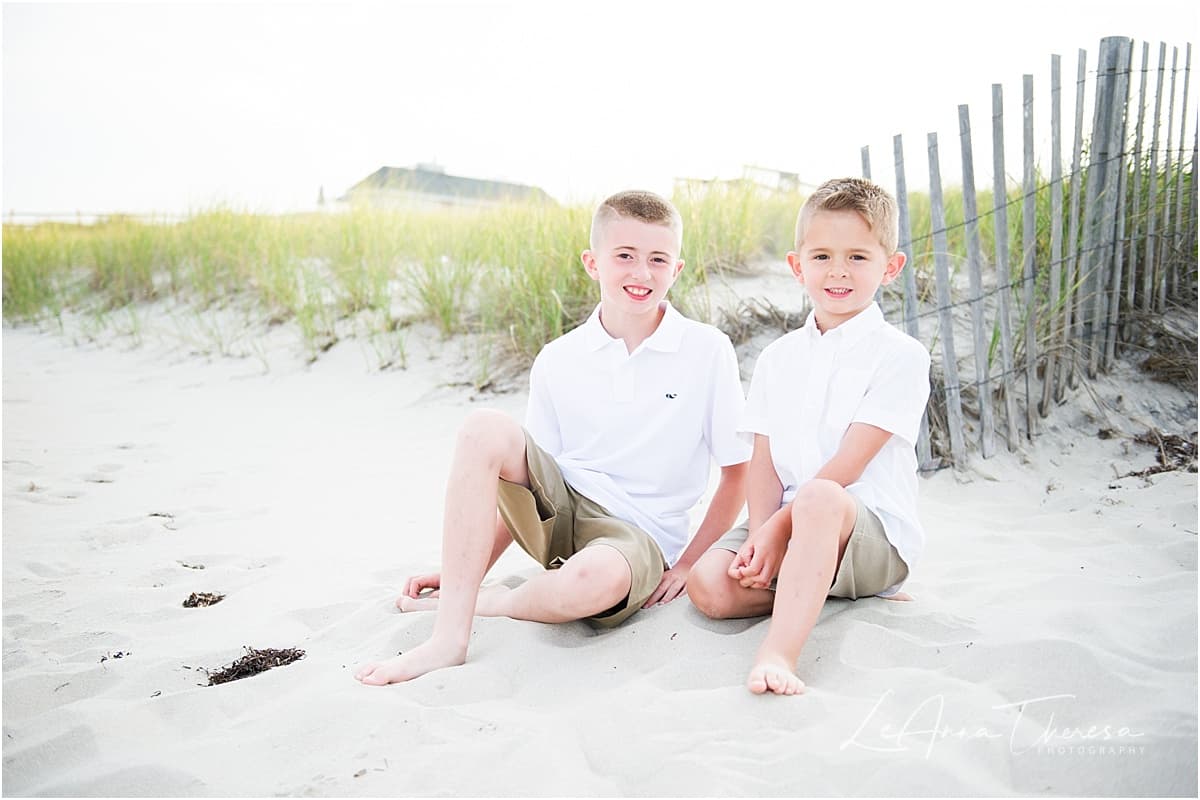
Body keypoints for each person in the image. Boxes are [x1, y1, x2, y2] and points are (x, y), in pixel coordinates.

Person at [355, 190, 751, 686]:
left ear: (677, 267)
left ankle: (490, 602)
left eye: (658, 259)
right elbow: (523, 485)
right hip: (562, 511)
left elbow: (738, 474)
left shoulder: (706, 350)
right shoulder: (559, 357)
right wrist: (466, 568)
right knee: (483, 429)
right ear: (593, 262)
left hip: (639, 537)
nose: (641, 273)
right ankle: (448, 638)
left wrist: (689, 564)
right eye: (624, 256)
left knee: (591, 581)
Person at [687, 177, 931, 696]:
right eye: (821, 256)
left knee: (821, 495)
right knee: (708, 586)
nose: (838, 270)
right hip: (786, 524)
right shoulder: (779, 358)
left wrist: (778, 531)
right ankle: (814, 583)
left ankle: (779, 652)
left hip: (867, 535)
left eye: (858, 258)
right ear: (797, 266)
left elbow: (852, 462)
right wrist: (759, 534)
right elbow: (765, 459)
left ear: (890, 267)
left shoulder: (900, 355)